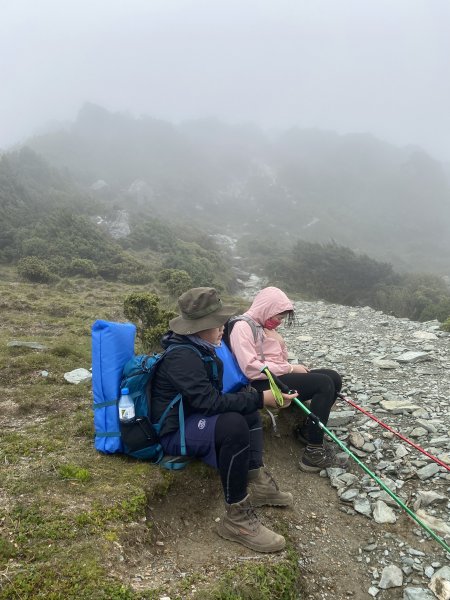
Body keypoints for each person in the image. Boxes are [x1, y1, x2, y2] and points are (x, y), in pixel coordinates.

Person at [150, 287, 297, 553]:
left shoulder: (201, 349)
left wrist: (255, 399)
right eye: (217, 323)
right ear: (197, 327)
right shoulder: (182, 357)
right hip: (175, 432)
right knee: (233, 425)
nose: (223, 327)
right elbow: (209, 403)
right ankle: (237, 520)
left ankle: (259, 483)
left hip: (194, 419)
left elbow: (212, 400)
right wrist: (261, 398)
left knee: (246, 410)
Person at [228, 286, 342, 473]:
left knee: (333, 377)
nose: (279, 322)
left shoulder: (260, 326)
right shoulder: (242, 327)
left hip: (273, 375)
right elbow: (250, 368)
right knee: (323, 383)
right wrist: (290, 368)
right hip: (258, 383)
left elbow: (273, 359)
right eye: (278, 317)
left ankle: (309, 431)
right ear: (266, 309)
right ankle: (313, 453)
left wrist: (281, 348)